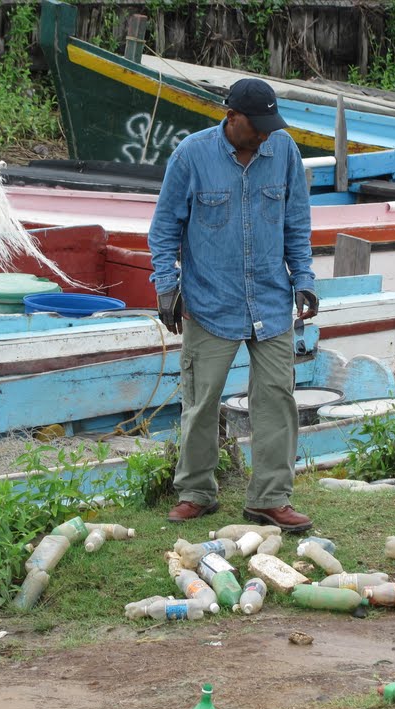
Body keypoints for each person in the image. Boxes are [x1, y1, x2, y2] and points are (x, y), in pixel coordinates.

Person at [148, 77, 318, 534]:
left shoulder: (283, 151)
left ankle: (270, 499)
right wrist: (167, 287)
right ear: (232, 117)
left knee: (277, 400)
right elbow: (163, 230)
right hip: (209, 301)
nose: (264, 134)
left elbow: (297, 224)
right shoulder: (190, 156)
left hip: (271, 299)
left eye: (269, 125)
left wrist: (303, 280)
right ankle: (197, 493)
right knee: (202, 403)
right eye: (256, 126)